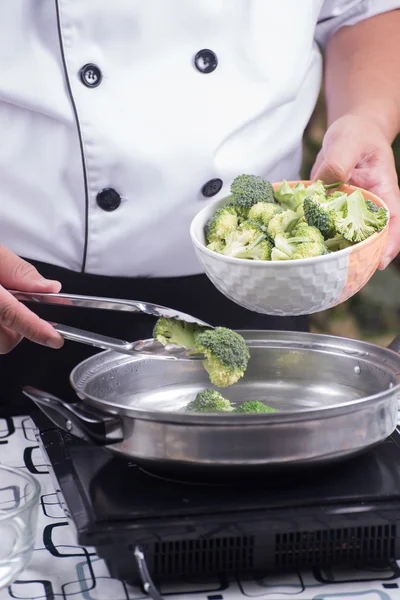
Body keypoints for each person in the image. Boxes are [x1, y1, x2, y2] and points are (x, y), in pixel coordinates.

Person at [0, 1, 400, 415]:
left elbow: (365, 10)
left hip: (263, 286)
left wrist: (367, 117)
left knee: (268, 465)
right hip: (20, 288)